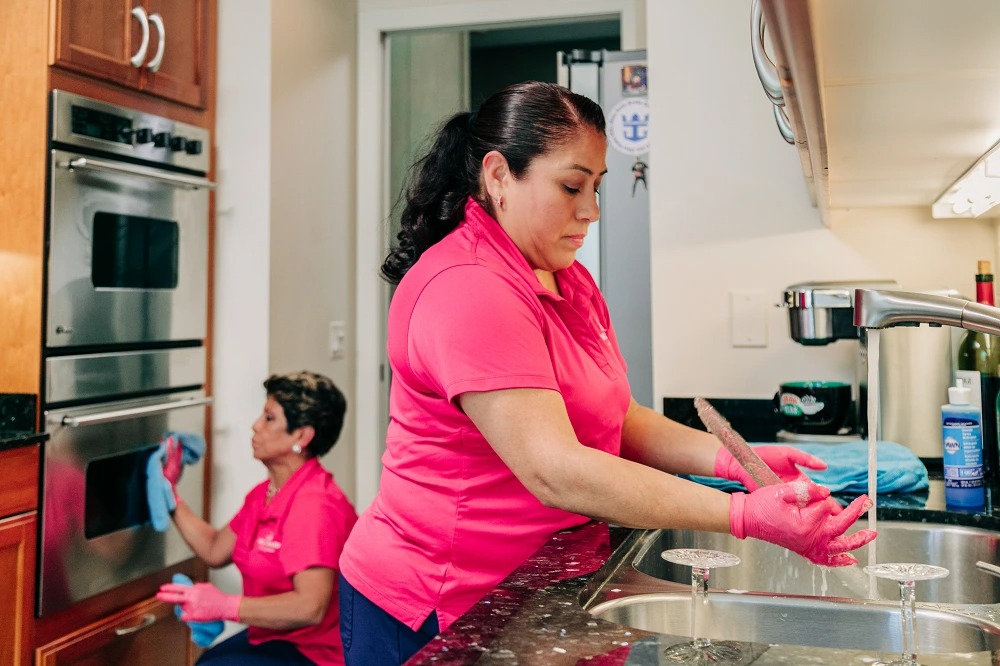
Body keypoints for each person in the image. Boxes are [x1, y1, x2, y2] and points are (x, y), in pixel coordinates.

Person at [337, 81, 876, 665]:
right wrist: (743, 515)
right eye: (571, 186)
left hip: (541, 580)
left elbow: (620, 417)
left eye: (597, 186)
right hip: (444, 600)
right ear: (498, 176)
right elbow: (555, 469)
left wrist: (735, 461)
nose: (591, 210)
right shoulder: (469, 287)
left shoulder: (564, 275)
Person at [157, 371, 358, 665]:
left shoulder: (315, 506)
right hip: (274, 637)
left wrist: (225, 605)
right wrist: (169, 493)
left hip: (317, 653)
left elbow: (310, 607)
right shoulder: (266, 494)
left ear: (301, 436)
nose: (255, 425)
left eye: (269, 418)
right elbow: (214, 548)